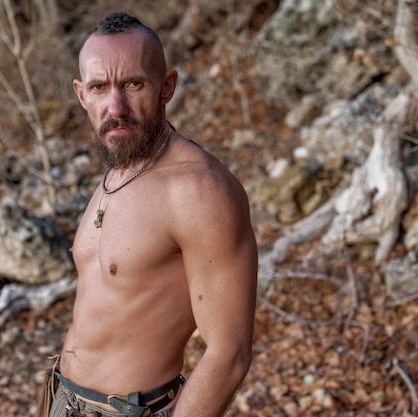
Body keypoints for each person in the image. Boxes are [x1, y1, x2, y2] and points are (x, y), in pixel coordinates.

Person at [39, 11, 258, 417]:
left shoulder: (199, 191)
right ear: (81, 94)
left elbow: (229, 353)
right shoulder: (121, 164)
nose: (115, 106)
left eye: (133, 84)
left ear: (166, 87)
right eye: (99, 87)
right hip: (60, 399)